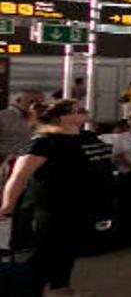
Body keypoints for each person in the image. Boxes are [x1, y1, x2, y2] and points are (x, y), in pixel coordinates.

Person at [0, 100, 113, 296]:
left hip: (85, 206)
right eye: (78, 110)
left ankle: (60, 288)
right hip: (54, 207)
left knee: (68, 250)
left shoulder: (88, 138)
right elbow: (19, 176)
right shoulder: (44, 142)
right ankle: (28, 290)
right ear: (62, 117)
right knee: (48, 253)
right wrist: (7, 206)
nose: (85, 111)